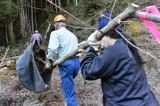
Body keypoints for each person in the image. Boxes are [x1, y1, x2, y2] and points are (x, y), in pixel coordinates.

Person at [80, 13, 160, 106]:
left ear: (104, 35)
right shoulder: (126, 45)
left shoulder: (114, 51)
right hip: (147, 102)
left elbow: (88, 72)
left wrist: (92, 49)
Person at [46, 15, 80, 106]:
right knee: (67, 85)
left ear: (56, 24)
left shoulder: (55, 33)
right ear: (64, 23)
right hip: (77, 63)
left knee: (70, 94)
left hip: (66, 64)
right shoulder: (72, 35)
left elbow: (53, 49)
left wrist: (50, 60)